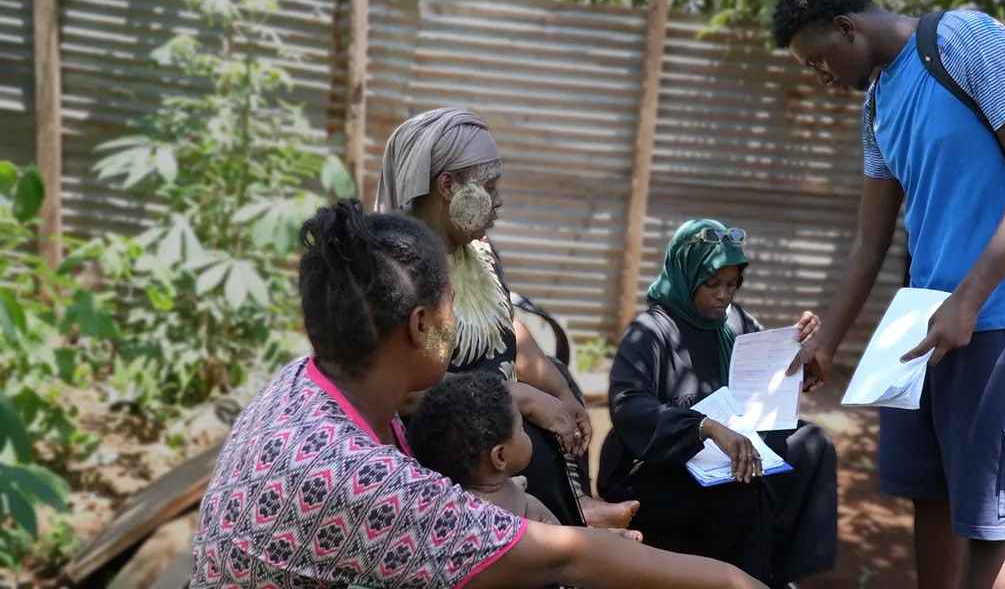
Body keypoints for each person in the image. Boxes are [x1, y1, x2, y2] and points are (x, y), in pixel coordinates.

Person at [190, 199, 767, 589]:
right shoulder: (357, 478)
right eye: (454, 307)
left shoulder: (306, 385)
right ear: (422, 325)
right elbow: (565, 554)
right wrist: (733, 581)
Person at [775, 0, 1005, 589]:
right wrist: (827, 340)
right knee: (928, 494)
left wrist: (969, 298)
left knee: (995, 520)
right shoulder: (878, 104)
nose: (821, 76)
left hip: (1004, 316)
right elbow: (869, 239)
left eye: (818, 61)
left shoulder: (965, 39)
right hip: (924, 324)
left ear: (846, 27)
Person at [373, 108, 636, 530]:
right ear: (446, 185)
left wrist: (558, 391)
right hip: (447, 429)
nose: (499, 201)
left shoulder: (478, 251)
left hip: (495, 407)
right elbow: (405, 392)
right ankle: (566, 531)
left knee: (562, 379)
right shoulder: (401, 268)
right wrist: (520, 396)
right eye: (489, 187)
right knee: (520, 433)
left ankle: (576, 509)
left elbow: (507, 328)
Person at [597, 219, 837, 589]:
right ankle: (742, 580)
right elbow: (629, 406)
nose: (724, 295)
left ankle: (778, 571)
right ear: (686, 274)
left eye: (732, 284)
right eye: (712, 284)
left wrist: (799, 358)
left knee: (812, 443)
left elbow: (764, 382)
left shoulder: (736, 323)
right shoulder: (650, 332)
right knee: (739, 484)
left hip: (726, 451)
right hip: (657, 465)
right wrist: (702, 427)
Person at [408, 370, 643, 541]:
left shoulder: (456, 509)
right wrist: (602, 545)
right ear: (500, 457)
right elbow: (564, 549)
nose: (525, 434)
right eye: (521, 429)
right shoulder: (522, 511)